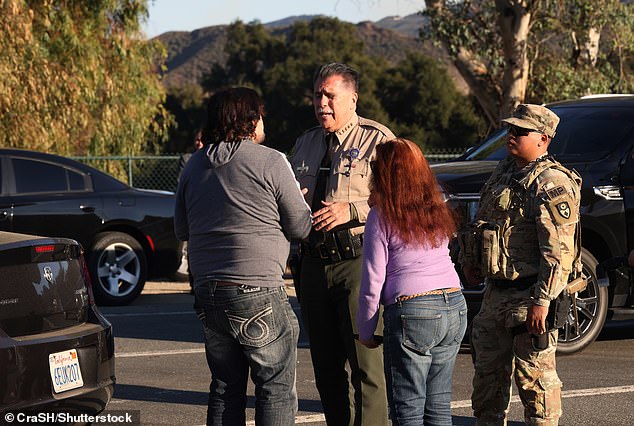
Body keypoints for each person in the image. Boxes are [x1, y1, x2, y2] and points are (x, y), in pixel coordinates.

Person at [174, 87, 312, 426]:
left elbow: (181, 228)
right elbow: (300, 227)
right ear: (251, 120)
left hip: (208, 292)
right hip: (258, 290)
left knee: (224, 387)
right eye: (260, 114)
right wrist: (298, 200)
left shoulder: (193, 166)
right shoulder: (270, 160)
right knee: (275, 388)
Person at [458, 104, 582, 425]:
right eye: (510, 130)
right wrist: (470, 260)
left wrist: (542, 301)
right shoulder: (505, 171)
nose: (511, 136)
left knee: (535, 388)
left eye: (520, 132)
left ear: (543, 139)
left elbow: (559, 252)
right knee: (487, 386)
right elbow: (484, 222)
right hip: (494, 296)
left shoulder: (551, 183)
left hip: (529, 299)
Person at [290, 62, 393, 426]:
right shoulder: (305, 143)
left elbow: (401, 198)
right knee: (325, 369)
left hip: (357, 263)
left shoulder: (377, 139)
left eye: (330, 96)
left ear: (353, 98)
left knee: (367, 367)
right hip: (313, 266)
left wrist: (352, 209)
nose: (322, 103)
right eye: (317, 96)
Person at [356, 138, 467, 426]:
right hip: (454, 303)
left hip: (412, 311)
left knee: (408, 409)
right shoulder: (436, 207)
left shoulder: (381, 216)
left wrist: (366, 329)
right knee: (439, 405)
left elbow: (372, 278)